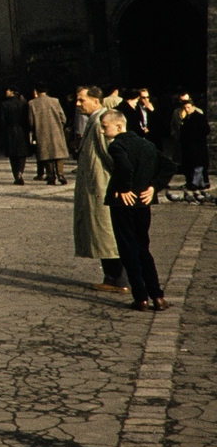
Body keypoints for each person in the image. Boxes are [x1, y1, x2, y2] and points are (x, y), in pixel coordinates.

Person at [101, 110, 167, 311]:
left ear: (119, 126)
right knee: (143, 247)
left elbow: (125, 168)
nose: (103, 131)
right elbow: (168, 165)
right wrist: (154, 186)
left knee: (128, 249)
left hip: (123, 203)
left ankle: (141, 297)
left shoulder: (117, 145)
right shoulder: (146, 144)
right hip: (142, 202)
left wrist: (124, 188)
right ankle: (157, 295)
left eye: (105, 127)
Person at [74, 86, 128, 294]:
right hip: (98, 188)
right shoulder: (94, 121)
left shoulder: (100, 123)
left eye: (81, 100)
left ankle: (118, 279)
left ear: (96, 101)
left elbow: (112, 156)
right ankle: (113, 277)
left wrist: (121, 184)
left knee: (106, 233)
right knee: (103, 233)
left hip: (103, 188)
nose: (78, 104)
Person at [30, 87, 69, 186]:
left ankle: (51, 176)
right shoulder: (55, 101)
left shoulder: (32, 103)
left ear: (36, 91)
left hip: (41, 131)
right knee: (58, 154)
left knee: (46, 155)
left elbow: (31, 121)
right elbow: (63, 117)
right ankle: (61, 174)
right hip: (56, 130)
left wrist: (34, 130)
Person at [176, 95, 209, 200]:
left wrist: (197, 137)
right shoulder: (186, 118)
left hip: (197, 146)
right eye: (185, 108)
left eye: (189, 107)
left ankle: (195, 183)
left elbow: (206, 130)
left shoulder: (199, 117)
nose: (187, 110)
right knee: (191, 165)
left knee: (198, 166)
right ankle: (198, 183)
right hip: (188, 147)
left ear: (193, 107)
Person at [0, 88, 31, 185]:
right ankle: (20, 172)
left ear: (12, 92)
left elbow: (2, 120)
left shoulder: (4, 104)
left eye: (8, 90)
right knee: (22, 154)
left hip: (10, 131)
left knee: (13, 156)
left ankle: (16, 174)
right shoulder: (24, 104)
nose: (6, 92)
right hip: (22, 131)